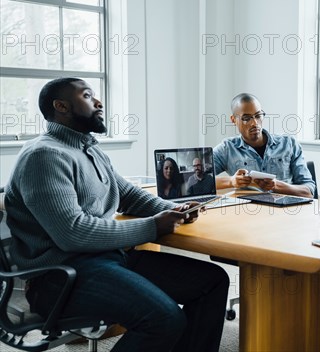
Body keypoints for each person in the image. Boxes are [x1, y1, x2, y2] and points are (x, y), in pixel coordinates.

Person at [4, 78, 229, 352]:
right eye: (88, 96)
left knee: (213, 281)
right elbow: (72, 233)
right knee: (163, 318)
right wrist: (154, 226)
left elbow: (128, 195)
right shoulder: (43, 156)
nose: (99, 102)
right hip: (60, 277)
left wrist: (170, 210)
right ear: (61, 106)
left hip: (108, 259)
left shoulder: (90, 148)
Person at [213, 93, 315, 198]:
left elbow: (308, 191)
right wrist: (230, 181)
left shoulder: (289, 144)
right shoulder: (227, 148)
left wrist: (277, 186)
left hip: (286, 210)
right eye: (247, 118)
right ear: (233, 120)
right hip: (249, 211)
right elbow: (197, 182)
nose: (254, 123)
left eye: (258, 116)